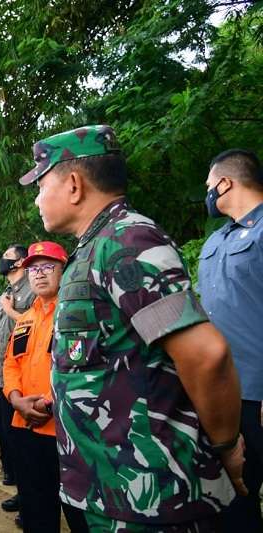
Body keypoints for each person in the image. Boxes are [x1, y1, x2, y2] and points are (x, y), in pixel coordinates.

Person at [21, 124, 245, 530]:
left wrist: (226, 445)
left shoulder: (128, 243)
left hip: (153, 499)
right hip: (112, 492)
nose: (37, 199)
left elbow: (205, 355)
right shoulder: (97, 247)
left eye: (40, 185)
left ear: (73, 184)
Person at [198, 148, 263, 531]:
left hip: (258, 390)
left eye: (210, 186)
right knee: (232, 497)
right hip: (222, 393)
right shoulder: (216, 241)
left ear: (225, 183)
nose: (208, 194)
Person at [2, 241, 87, 533]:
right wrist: (15, 400)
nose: (39, 274)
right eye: (33, 269)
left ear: (65, 270)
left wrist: (48, 403)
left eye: (48, 266)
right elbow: (11, 365)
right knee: (36, 509)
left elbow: (81, 368)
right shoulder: (24, 320)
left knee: (79, 512)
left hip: (66, 430)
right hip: (25, 427)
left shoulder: (77, 315)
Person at [0, 244, 34, 519]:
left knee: (27, 442)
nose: (2, 261)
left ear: (20, 262)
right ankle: (23, 493)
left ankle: (32, 501)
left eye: (7, 257)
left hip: (27, 376)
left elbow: (38, 326)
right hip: (6, 377)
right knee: (11, 439)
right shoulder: (6, 294)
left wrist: (12, 310)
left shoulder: (33, 289)